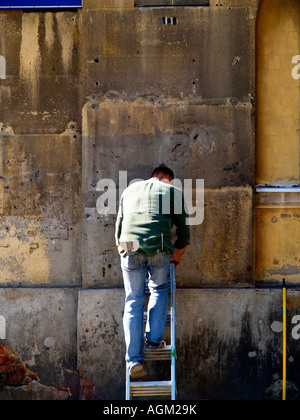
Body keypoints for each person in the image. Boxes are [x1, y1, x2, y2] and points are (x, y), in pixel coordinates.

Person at [115, 165, 190, 380]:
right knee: (158, 289)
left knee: (133, 300)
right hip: (159, 246)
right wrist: (178, 254)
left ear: (152, 177)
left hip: (129, 246)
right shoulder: (172, 191)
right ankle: (154, 340)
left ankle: (134, 361)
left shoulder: (129, 190)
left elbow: (118, 228)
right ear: (168, 179)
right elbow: (184, 233)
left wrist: (122, 249)